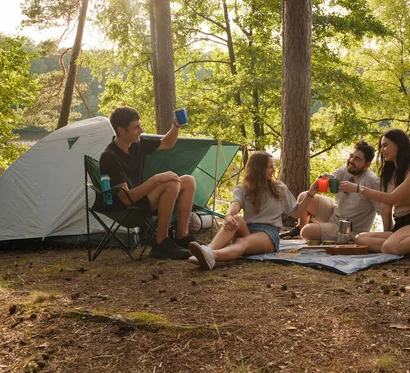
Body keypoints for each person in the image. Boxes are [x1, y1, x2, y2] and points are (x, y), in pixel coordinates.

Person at [188, 151, 319, 270]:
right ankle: (207, 250)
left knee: (241, 241)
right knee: (237, 218)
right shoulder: (242, 188)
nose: (274, 170)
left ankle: (212, 256)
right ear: (259, 169)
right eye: (270, 167)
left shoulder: (280, 188)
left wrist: (311, 193)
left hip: (268, 234)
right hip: (248, 229)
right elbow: (235, 205)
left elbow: (296, 212)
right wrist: (228, 216)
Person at [99, 106, 196, 259]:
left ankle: (182, 237)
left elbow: (167, 143)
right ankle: (161, 243)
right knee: (171, 183)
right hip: (128, 207)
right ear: (121, 130)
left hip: (142, 199)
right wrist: (157, 179)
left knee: (188, 181)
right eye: (136, 127)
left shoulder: (138, 144)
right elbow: (126, 198)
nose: (141, 130)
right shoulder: (109, 157)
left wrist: (175, 126)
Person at [288, 140, 386, 242]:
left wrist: (387, 234)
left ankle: (305, 232)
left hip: (349, 229)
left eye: (357, 159)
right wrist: (323, 179)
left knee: (306, 232)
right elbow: (331, 180)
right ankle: (298, 230)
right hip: (335, 214)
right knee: (304, 196)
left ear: (367, 164)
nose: (351, 161)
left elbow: (383, 210)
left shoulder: (372, 181)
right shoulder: (345, 170)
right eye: (351, 156)